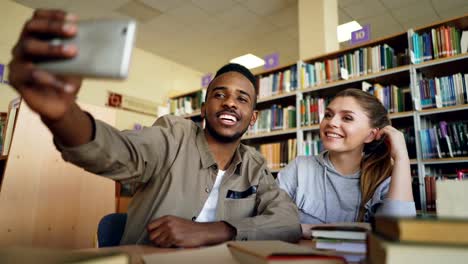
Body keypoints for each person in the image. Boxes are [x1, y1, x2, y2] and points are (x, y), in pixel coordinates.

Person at [8, 9, 302, 247]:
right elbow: (119, 152)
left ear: (252, 118)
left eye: (242, 99)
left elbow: (287, 221)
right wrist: (62, 114)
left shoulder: (254, 164)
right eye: (219, 94)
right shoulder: (173, 135)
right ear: (203, 108)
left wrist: (216, 230)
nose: (229, 104)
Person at [277, 88, 416, 238]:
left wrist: (402, 158)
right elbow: (269, 224)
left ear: (370, 135)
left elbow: (398, 235)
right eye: (328, 115)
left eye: (347, 118)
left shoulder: (384, 177)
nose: (332, 122)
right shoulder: (299, 167)